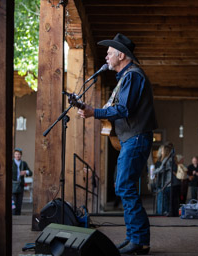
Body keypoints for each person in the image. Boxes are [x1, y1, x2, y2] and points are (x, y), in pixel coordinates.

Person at [78, 33, 157, 255]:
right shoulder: (126, 77)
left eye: (109, 52)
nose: (106, 56)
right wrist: (99, 111)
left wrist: (94, 111)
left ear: (121, 54)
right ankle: (135, 238)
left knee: (125, 187)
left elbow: (124, 109)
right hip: (132, 138)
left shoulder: (132, 76)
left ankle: (139, 241)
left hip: (136, 137)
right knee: (125, 186)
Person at [12, 148, 33, 215]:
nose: (17, 156)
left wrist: (25, 172)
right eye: (16, 154)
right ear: (14, 155)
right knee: (13, 201)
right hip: (12, 185)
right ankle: (13, 214)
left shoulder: (23, 163)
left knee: (19, 201)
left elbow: (30, 173)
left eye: (19, 154)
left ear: (21, 155)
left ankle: (18, 215)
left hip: (20, 185)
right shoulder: (11, 162)